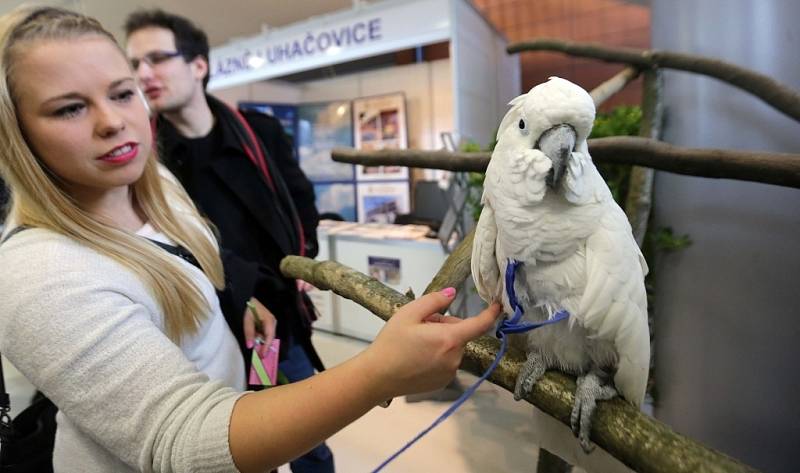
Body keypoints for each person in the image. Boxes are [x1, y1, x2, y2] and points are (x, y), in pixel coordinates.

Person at [0, 7, 500, 472]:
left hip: (268, 325)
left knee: (307, 439)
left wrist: (237, 295)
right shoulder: (40, 273)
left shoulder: (154, 181)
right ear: (17, 131)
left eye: (122, 92)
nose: (111, 121)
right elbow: (182, 434)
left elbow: (213, 242)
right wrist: (378, 373)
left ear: (197, 66)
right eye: (69, 109)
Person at [123, 9, 330, 469]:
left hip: (281, 322)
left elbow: (300, 202)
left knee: (307, 437)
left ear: (199, 65)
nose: (143, 74)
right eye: (134, 64)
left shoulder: (260, 133)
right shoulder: (147, 159)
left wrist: (304, 261)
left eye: (157, 58)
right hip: (210, 327)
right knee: (241, 444)